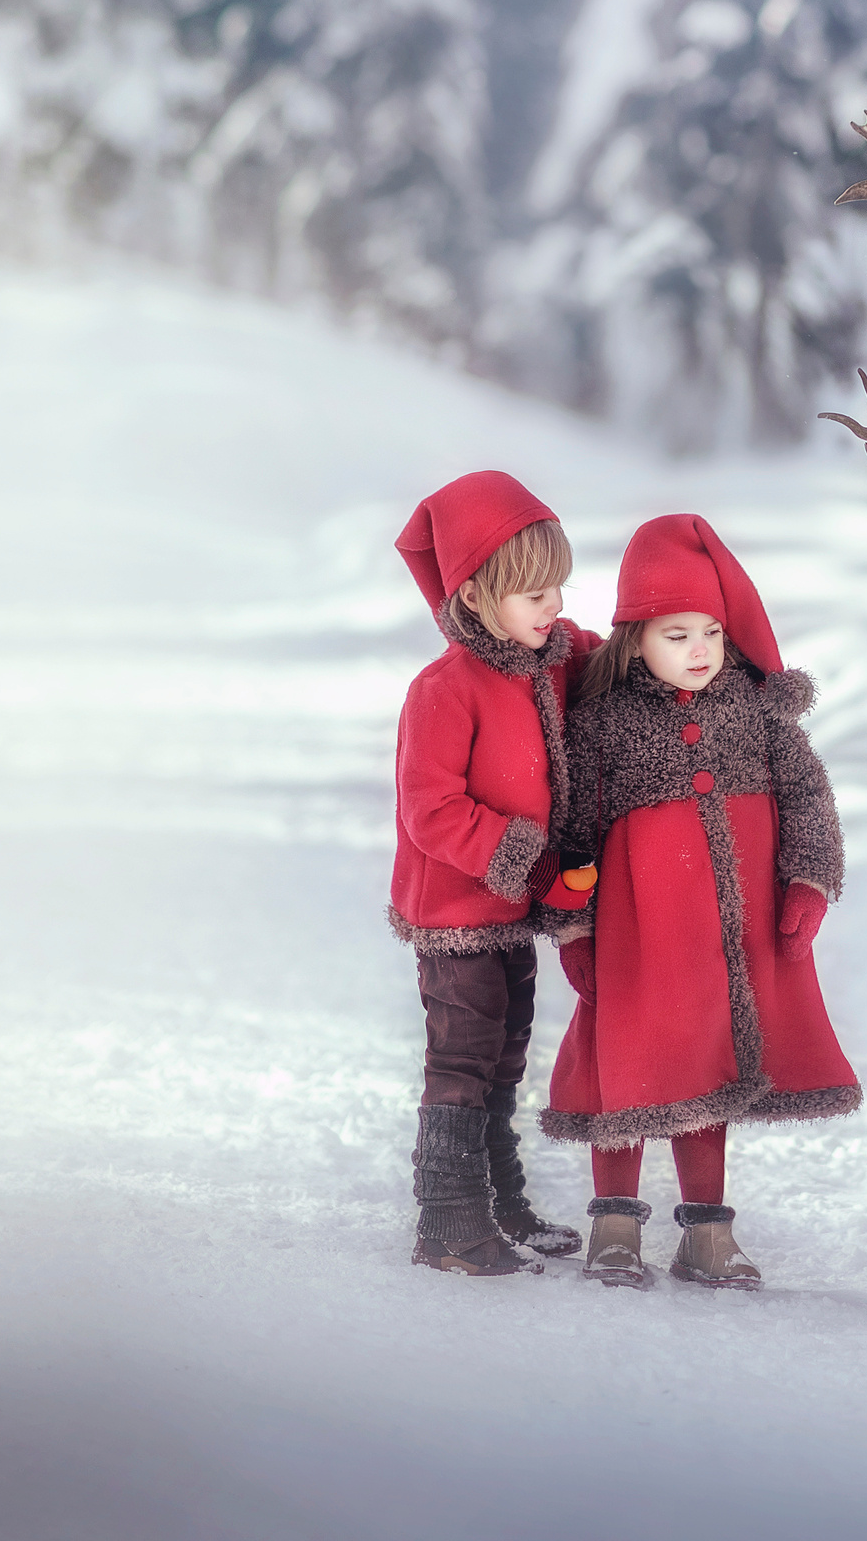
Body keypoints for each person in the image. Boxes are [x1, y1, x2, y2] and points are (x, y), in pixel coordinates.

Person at [540, 513, 860, 1291]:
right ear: (635, 638)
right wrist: (575, 927)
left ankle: (706, 1235)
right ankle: (613, 1223)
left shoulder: (754, 712)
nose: (700, 651)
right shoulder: (604, 723)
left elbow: (808, 795)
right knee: (632, 1065)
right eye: (677, 633)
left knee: (712, 1062)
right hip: (641, 935)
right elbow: (575, 827)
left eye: (712, 632)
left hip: (734, 933)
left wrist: (808, 880)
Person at [391, 470, 601, 1277]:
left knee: (508, 1052)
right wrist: (534, 863)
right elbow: (432, 812)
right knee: (464, 1056)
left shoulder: (548, 658)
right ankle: (446, 1218)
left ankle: (499, 1197)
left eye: (558, 586)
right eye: (532, 592)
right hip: (454, 912)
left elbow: (617, 659)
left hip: (513, 909)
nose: (553, 605)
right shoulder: (444, 690)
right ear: (475, 596)